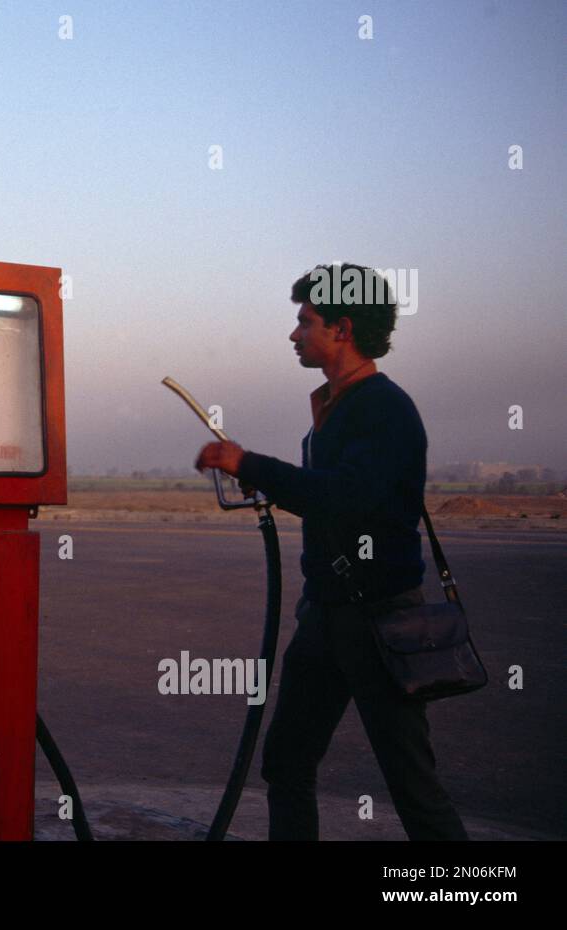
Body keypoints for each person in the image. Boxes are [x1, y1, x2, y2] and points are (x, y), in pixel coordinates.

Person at [194, 263, 467, 841]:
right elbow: (329, 499)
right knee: (287, 762)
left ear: (342, 328)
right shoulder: (336, 407)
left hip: (378, 618)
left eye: (305, 321)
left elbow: (343, 499)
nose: (294, 334)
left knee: (412, 785)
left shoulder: (383, 408)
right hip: (327, 615)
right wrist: (263, 479)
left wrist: (249, 464)